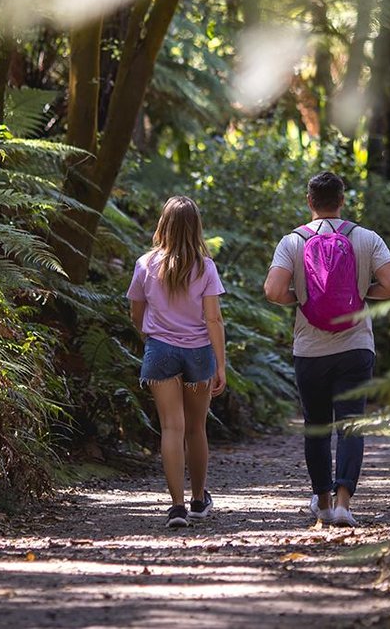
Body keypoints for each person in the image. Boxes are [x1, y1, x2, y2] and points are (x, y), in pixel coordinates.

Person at [263, 171, 390, 527]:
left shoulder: (292, 242)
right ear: (342, 200)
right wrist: (361, 294)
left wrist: (302, 299)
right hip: (356, 346)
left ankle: (322, 503)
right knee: (351, 425)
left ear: (310, 201)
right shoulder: (366, 238)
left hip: (310, 349)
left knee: (316, 425)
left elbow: (273, 291)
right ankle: (344, 504)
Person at [128, 196, 228, 529]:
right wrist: (221, 365)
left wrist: (150, 337)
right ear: (196, 227)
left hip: (160, 350)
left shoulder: (145, 264)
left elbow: (136, 311)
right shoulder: (205, 267)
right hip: (199, 351)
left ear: (163, 224)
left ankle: (177, 508)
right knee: (196, 428)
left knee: (172, 427)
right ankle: (199, 500)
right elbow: (213, 319)